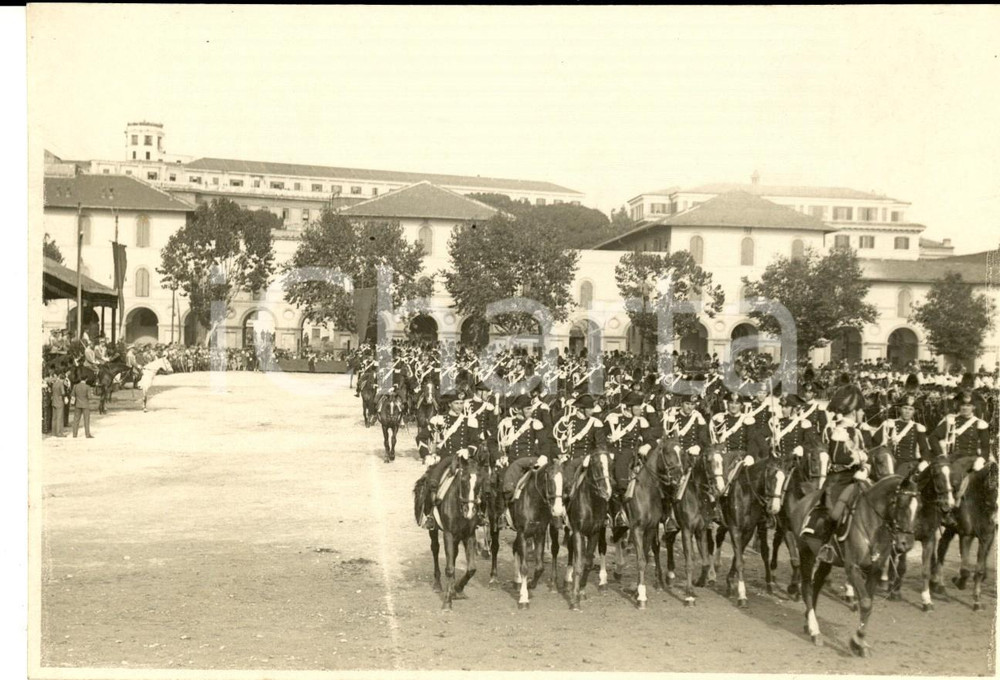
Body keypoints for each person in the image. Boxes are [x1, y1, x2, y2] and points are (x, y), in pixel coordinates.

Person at [417, 392, 482, 529]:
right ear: (449, 404)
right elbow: (421, 438)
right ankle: (430, 516)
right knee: (432, 481)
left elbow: (475, 441)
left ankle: (481, 513)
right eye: (456, 403)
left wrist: (468, 451)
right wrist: (427, 455)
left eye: (461, 403)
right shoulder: (439, 420)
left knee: (481, 482)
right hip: (445, 458)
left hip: (464, 459)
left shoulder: (470, 421)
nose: (459, 406)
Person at [608, 391, 656, 528]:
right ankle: (617, 513)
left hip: (633, 454)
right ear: (629, 407)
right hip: (616, 453)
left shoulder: (641, 421)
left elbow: (651, 440)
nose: (641, 410)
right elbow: (602, 438)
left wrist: (646, 446)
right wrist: (609, 449)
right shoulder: (614, 418)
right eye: (638, 407)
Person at [48, 370, 68, 437]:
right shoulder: (61, 384)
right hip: (59, 402)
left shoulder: (55, 383)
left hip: (54, 401)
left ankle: (53, 432)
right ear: (64, 379)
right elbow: (62, 393)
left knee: (54, 418)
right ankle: (59, 433)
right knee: (60, 418)